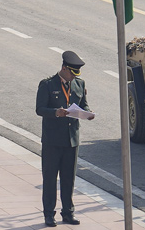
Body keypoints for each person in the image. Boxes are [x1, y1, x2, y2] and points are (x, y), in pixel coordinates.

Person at [35, 50, 92, 227]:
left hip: (71, 140)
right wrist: (56, 112)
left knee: (68, 179)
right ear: (64, 68)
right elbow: (39, 109)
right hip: (52, 141)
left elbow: (84, 105)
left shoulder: (79, 84)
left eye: (76, 75)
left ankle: (68, 212)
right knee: (50, 179)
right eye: (71, 73)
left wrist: (88, 114)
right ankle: (49, 214)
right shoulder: (47, 84)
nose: (73, 78)